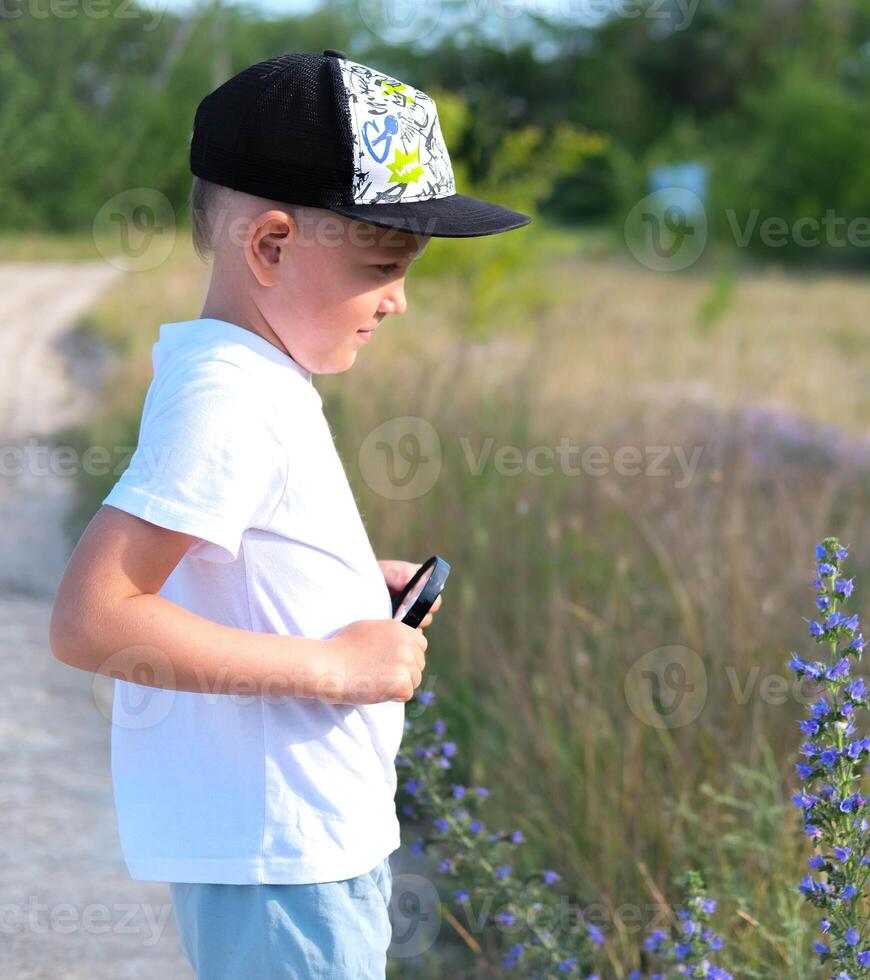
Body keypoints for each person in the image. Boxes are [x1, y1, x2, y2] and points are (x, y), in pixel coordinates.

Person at [47, 50, 530, 979]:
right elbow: (94, 618)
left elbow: (223, 556)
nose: (399, 299)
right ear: (269, 246)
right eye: (385, 262)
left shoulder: (249, 379)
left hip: (299, 841)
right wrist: (334, 668)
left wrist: (346, 580)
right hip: (286, 859)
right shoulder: (232, 399)